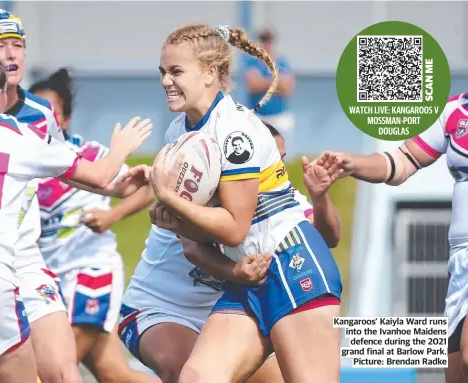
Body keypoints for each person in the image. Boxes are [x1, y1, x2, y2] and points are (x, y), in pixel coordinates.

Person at [0, 9, 152, 383]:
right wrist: (114, 161)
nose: (11, 54)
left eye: (17, 45)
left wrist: (113, 186)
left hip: (24, 257)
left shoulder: (39, 113)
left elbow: (60, 168)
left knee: (63, 372)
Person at [119, 119, 341, 383]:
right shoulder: (199, 195)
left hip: (224, 311)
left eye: (280, 161)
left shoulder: (277, 196)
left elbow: (329, 237)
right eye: (270, 159)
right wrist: (236, 271)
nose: (277, 169)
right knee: (183, 368)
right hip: (160, 307)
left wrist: (319, 197)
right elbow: (194, 251)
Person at [312, 92, 468, 383]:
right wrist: (353, 164)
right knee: (456, 372)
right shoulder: (453, 111)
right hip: (460, 262)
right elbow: (400, 163)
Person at [29, 68, 160, 383]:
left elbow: (148, 188)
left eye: (52, 113)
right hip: (49, 280)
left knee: (54, 367)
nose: (42, 121)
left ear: (65, 119)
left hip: (92, 271)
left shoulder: (89, 156)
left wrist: (111, 216)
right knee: (115, 374)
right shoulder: (24, 159)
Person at [243, 28, 296, 141]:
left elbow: (287, 88)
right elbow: (254, 85)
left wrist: (264, 81)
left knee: (283, 154)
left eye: (269, 40)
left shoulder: (282, 62)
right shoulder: (252, 63)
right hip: (259, 117)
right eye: (263, 40)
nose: (266, 44)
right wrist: (276, 82)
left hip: (280, 118)